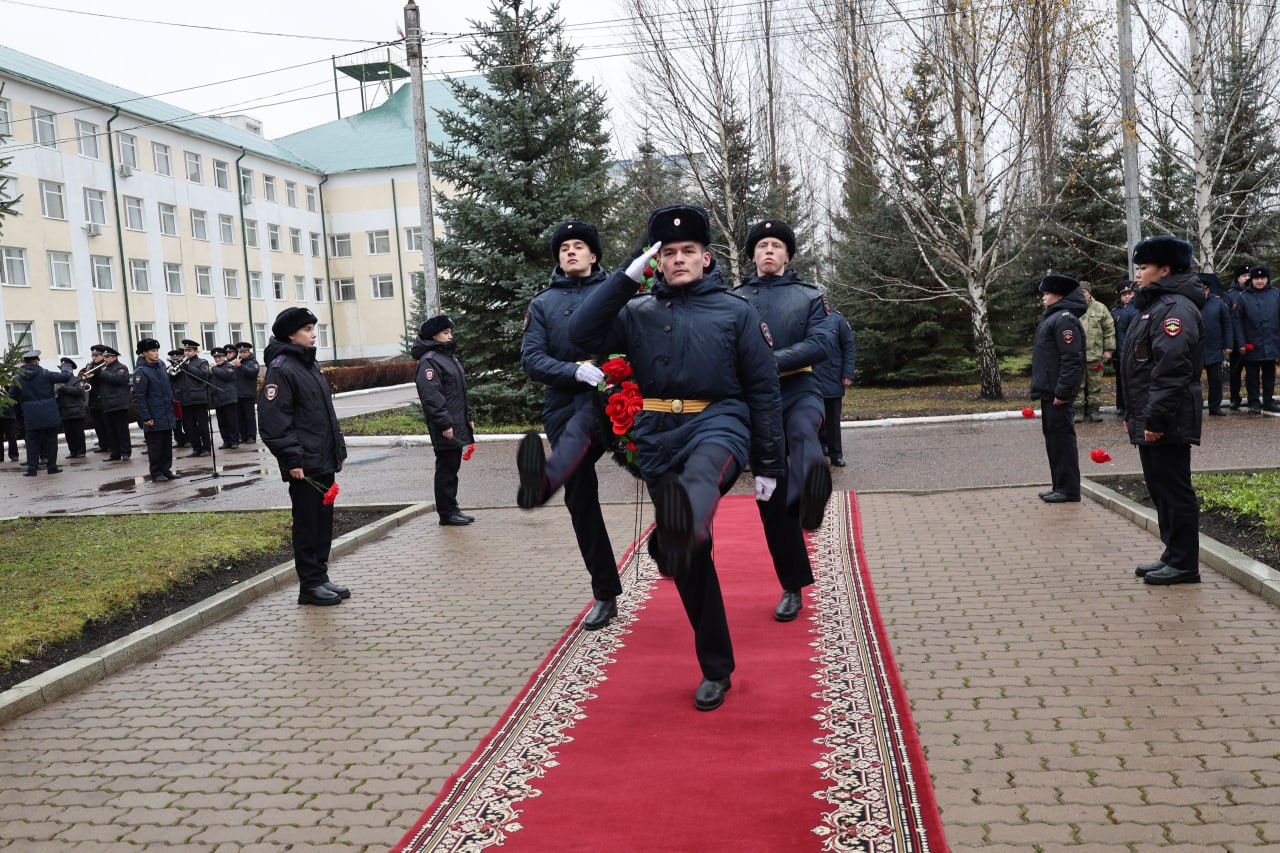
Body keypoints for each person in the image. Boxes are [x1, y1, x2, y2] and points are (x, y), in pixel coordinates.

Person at [569, 204, 785, 712]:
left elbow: (764, 389)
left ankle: (674, 534)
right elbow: (579, 334)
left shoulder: (736, 311)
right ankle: (717, 667)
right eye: (668, 253)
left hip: (721, 424)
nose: (679, 259)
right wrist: (624, 278)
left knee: (692, 502)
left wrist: (770, 465)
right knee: (691, 558)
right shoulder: (636, 312)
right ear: (656, 262)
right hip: (660, 433)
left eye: (689, 251)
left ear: (706, 259)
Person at [517, 220, 622, 631]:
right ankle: (604, 593)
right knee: (580, 496)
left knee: (662, 473)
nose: (571, 252)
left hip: (620, 402)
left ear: (594, 255)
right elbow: (532, 359)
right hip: (567, 408)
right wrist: (574, 372)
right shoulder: (543, 304)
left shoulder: (616, 292)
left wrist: (616, 371)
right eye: (564, 248)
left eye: (579, 246)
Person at [735, 218, 835, 622]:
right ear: (754, 255)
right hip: (756, 404)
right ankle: (791, 585)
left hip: (799, 391)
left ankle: (813, 488)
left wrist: (765, 363)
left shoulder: (811, 295)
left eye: (776, 245)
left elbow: (823, 343)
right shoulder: (734, 299)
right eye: (762, 246)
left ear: (788, 254)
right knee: (771, 499)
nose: (769, 251)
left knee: (803, 434)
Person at [1121, 236, 1205, 586]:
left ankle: (1185, 563)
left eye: (1144, 268)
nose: (1137, 274)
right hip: (1151, 415)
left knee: (1174, 489)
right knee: (1160, 489)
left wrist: (1154, 420)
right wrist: (1134, 416)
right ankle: (1172, 553)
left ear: (1165, 270)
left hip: (1167, 418)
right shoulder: (1154, 305)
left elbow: (1171, 370)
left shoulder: (1175, 309)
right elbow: (1139, 366)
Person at [258, 307, 350, 606]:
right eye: (308, 329)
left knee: (323, 523)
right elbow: (275, 421)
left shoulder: (308, 364)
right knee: (308, 524)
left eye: (314, 328)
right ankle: (309, 585)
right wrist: (292, 459)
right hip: (304, 464)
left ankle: (320, 577)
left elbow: (321, 415)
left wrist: (337, 449)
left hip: (321, 458)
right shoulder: (281, 368)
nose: (314, 334)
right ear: (290, 334)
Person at [412, 315, 476, 526]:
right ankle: (447, 513)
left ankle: (452, 508)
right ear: (434, 335)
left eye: (451, 332)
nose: (450, 336)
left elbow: (458, 392)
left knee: (452, 468)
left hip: (456, 422)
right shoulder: (430, 360)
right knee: (446, 470)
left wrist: (469, 417)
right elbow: (432, 397)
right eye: (445, 333)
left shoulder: (447, 358)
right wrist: (444, 424)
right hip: (445, 426)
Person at [1030, 275, 1086, 503]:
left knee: (1062, 441)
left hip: (1057, 394)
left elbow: (1072, 359)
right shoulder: (1054, 318)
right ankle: (1060, 485)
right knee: (1054, 440)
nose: (1043, 297)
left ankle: (1069, 489)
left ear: (1059, 295)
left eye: (1046, 293)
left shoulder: (1064, 320)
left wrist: (1063, 392)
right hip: (1050, 391)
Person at [9, 350, 71, 476]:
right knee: (51, 441)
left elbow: (11, 398)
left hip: (31, 415)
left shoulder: (18, 378)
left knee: (32, 442)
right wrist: (65, 367)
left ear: (24, 362)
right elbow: (65, 377)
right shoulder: (46, 374)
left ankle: (32, 469)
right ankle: (52, 467)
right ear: (37, 361)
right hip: (49, 413)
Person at [1232, 264, 1280, 413]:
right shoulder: (1243, 298)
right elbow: (1237, 323)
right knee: (1252, 376)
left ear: (1267, 279)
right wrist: (1241, 343)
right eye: (1256, 278)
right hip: (1251, 343)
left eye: (1263, 278)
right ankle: (1253, 402)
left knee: (1269, 375)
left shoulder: (1276, 294)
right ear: (1251, 280)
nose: (1260, 281)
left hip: (1271, 341)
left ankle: (1268, 401)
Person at [132, 339, 181, 483]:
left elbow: (168, 390)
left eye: (156, 350)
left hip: (166, 412)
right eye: (152, 351)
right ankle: (156, 472)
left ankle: (166, 469)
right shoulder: (141, 372)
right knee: (155, 446)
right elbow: (139, 397)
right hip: (153, 414)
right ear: (144, 353)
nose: (156, 353)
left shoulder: (160, 367)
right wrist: (146, 417)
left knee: (166, 445)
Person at [814, 308, 856, 467]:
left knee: (832, 419)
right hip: (810, 378)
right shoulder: (804, 317)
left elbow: (849, 347)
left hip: (832, 375)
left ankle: (836, 454)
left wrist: (848, 373)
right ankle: (818, 451)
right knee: (811, 418)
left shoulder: (838, 320)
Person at [1078, 283, 1116, 421]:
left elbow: (1109, 330)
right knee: (1078, 385)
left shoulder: (1100, 308)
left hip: (1096, 355)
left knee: (1095, 384)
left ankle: (1094, 411)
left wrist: (1109, 350)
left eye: (1084, 291)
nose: (1082, 294)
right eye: (1079, 292)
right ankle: (1078, 412)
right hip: (1077, 356)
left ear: (1089, 293)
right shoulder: (1073, 308)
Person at [1198, 273, 1234, 416]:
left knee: (1216, 380)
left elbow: (1227, 325)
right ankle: (1196, 405)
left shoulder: (1218, 303)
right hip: (1195, 348)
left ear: (1209, 289)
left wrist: (1229, 344)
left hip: (1214, 347)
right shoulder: (1190, 303)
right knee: (1194, 380)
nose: (1203, 292)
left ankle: (1215, 406)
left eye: (1205, 289)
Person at [175, 339, 213, 457]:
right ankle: (196, 448)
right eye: (185, 350)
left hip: (198, 399)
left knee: (202, 426)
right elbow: (174, 379)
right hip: (185, 400)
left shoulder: (202, 362)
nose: (187, 353)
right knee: (189, 427)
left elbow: (202, 375)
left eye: (189, 350)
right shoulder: (181, 364)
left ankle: (206, 448)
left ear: (196, 351)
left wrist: (186, 366)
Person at [95, 346, 133, 462]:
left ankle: (125, 453)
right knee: (110, 432)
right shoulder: (104, 369)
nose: (105, 359)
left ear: (114, 357)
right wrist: (94, 373)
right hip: (106, 405)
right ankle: (115, 453)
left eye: (107, 357)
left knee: (122, 431)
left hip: (119, 404)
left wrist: (100, 373)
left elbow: (117, 379)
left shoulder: (121, 368)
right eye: (104, 357)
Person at [1226, 265, 1251, 410]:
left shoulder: (1255, 293)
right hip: (1236, 342)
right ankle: (1234, 397)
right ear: (1238, 278)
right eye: (1244, 275)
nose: (1247, 278)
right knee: (1235, 372)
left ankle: (1252, 397)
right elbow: (1229, 321)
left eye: (1249, 275)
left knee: (1252, 373)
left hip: (1252, 341)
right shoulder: (1230, 295)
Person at [1111, 284, 1139, 417]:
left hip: (1134, 351)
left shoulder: (1138, 309)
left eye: (1129, 293)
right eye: (1124, 294)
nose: (1127, 296)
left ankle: (1132, 406)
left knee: (1133, 380)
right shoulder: (1114, 311)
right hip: (1118, 352)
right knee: (1120, 381)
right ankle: (1120, 405)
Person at [53, 358, 89, 458]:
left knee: (78, 433)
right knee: (69, 435)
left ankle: (81, 451)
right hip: (64, 411)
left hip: (76, 411)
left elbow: (79, 392)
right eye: (61, 369)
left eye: (64, 369)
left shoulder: (77, 380)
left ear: (71, 370)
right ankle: (73, 451)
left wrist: (63, 388)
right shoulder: (59, 380)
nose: (62, 371)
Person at [208, 347, 241, 449]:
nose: (217, 359)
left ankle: (234, 441)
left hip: (229, 398)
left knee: (232, 422)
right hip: (218, 399)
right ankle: (226, 441)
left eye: (220, 357)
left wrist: (213, 368)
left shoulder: (229, 366)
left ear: (225, 357)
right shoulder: (214, 369)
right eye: (215, 357)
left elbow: (225, 375)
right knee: (222, 423)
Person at [234, 341, 260, 443]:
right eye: (240, 352)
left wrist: (240, 366)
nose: (242, 354)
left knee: (249, 416)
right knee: (240, 417)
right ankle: (243, 436)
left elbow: (252, 373)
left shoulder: (253, 362)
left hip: (248, 394)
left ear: (249, 352)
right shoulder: (240, 362)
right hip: (238, 393)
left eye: (244, 352)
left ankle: (251, 436)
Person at [83, 344, 108, 453]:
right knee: (98, 424)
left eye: (97, 356)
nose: (94, 358)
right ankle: (103, 444)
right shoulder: (90, 366)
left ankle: (110, 444)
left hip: (103, 398)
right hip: (93, 399)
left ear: (103, 356)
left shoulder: (105, 366)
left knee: (106, 424)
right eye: (93, 356)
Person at [166, 349, 190, 449]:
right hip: (173, 398)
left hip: (184, 398)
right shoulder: (168, 369)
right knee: (175, 422)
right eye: (173, 358)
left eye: (178, 358)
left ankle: (189, 439)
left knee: (187, 421)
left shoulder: (186, 369)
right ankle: (179, 440)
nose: (175, 359)